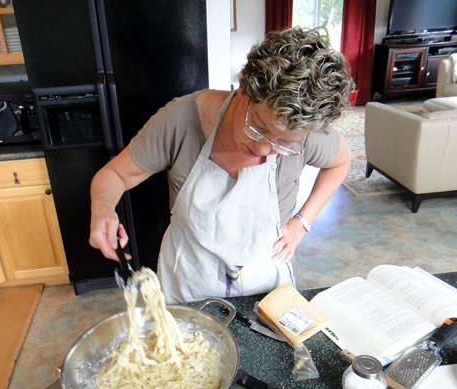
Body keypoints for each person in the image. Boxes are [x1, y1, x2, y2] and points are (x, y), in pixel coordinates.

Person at [89, 26, 356, 304]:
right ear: (244, 90)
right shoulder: (180, 121)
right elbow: (115, 174)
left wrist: (303, 222)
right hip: (189, 287)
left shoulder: (305, 130)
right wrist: (103, 208)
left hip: (267, 288)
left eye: (283, 144)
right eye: (259, 128)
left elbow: (340, 162)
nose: (263, 149)